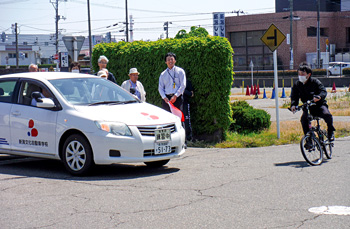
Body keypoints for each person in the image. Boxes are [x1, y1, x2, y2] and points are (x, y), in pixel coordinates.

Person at [290, 62, 336, 144]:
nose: (300, 75)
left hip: (319, 106)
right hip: (307, 107)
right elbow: (294, 96)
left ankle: (330, 132)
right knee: (304, 120)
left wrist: (319, 97)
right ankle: (309, 140)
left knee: (327, 115)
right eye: (299, 73)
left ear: (309, 74)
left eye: (303, 73)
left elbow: (323, 91)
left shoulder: (315, 82)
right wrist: (293, 105)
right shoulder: (297, 84)